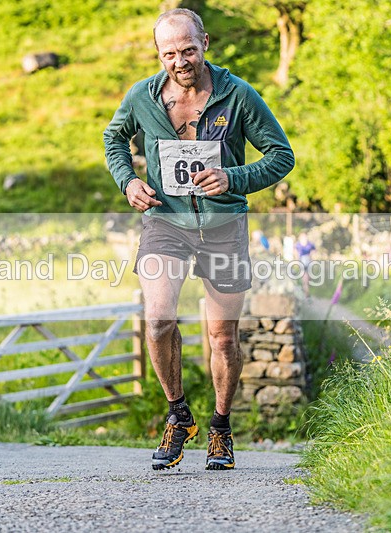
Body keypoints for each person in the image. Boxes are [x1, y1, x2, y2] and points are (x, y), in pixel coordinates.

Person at [103, 8, 294, 471]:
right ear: (158, 54)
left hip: (223, 226)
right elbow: (114, 139)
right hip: (164, 223)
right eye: (169, 53)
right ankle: (178, 414)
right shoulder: (141, 97)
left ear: (205, 42)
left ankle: (221, 429)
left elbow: (281, 156)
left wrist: (233, 178)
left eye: (188, 50)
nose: (180, 61)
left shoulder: (239, 95)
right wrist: (127, 180)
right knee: (158, 320)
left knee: (222, 336)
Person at [294, 232, 316, 296]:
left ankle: (305, 288)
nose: (304, 238)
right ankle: (306, 293)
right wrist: (297, 260)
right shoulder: (298, 245)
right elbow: (295, 252)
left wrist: (312, 256)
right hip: (302, 262)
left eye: (305, 237)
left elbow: (314, 251)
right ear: (300, 238)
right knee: (305, 278)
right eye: (302, 237)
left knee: (308, 278)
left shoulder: (310, 244)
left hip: (308, 262)